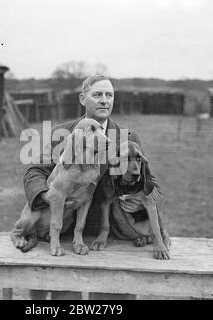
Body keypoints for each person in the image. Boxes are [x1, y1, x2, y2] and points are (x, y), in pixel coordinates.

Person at [23, 75, 146, 300]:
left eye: (109, 95)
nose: (104, 100)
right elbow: (35, 172)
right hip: (65, 234)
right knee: (64, 298)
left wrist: (137, 213)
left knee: (113, 300)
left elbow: (145, 184)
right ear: (82, 98)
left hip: (112, 237)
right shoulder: (61, 133)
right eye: (97, 94)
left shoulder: (128, 137)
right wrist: (46, 197)